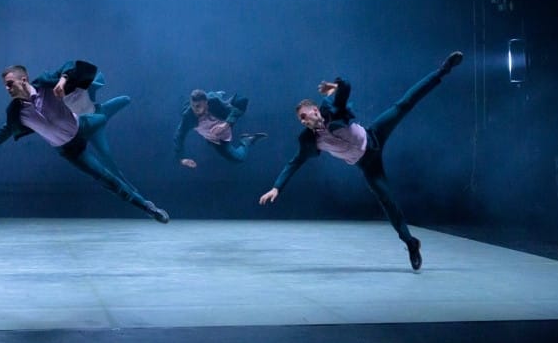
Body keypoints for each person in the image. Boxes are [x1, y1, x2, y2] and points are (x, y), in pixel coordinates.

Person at [258, 51, 464, 271]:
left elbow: (346, 87)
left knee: (403, 105)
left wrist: (336, 85)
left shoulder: (329, 107)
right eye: (300, 120)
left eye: (303, 116)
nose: (302, 122)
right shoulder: (309, 140)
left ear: (314, 111)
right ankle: (411, 243)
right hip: (367, 163)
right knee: (388, 202)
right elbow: (295, 162)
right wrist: (276, 187)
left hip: (374, 135)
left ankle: (442, 70)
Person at [0, 60, 169, 223]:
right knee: (106, 178)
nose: (7, 88)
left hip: (83, 126)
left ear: (23, 79)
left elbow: (73, 65)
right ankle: (147, 207)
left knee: (102, 118)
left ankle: (101, 111)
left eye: (10, 84)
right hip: (70, 149)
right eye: (5, 86)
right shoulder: (17, 113)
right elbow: (0, 135)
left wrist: (62, 81)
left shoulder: (45, 85)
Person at [173, 89, 268, 169]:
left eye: (198, 106)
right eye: (193, 105)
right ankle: (246, 140)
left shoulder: (214, 101)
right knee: (238, 158)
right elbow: (179, 136)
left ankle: (219, 95)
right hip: (215, 139)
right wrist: (181, 159)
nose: (195, 109)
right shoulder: (188, 117)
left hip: (222, 119)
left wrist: (225, 125)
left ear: (206, 103)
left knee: (238, 101)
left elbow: (237, 109)